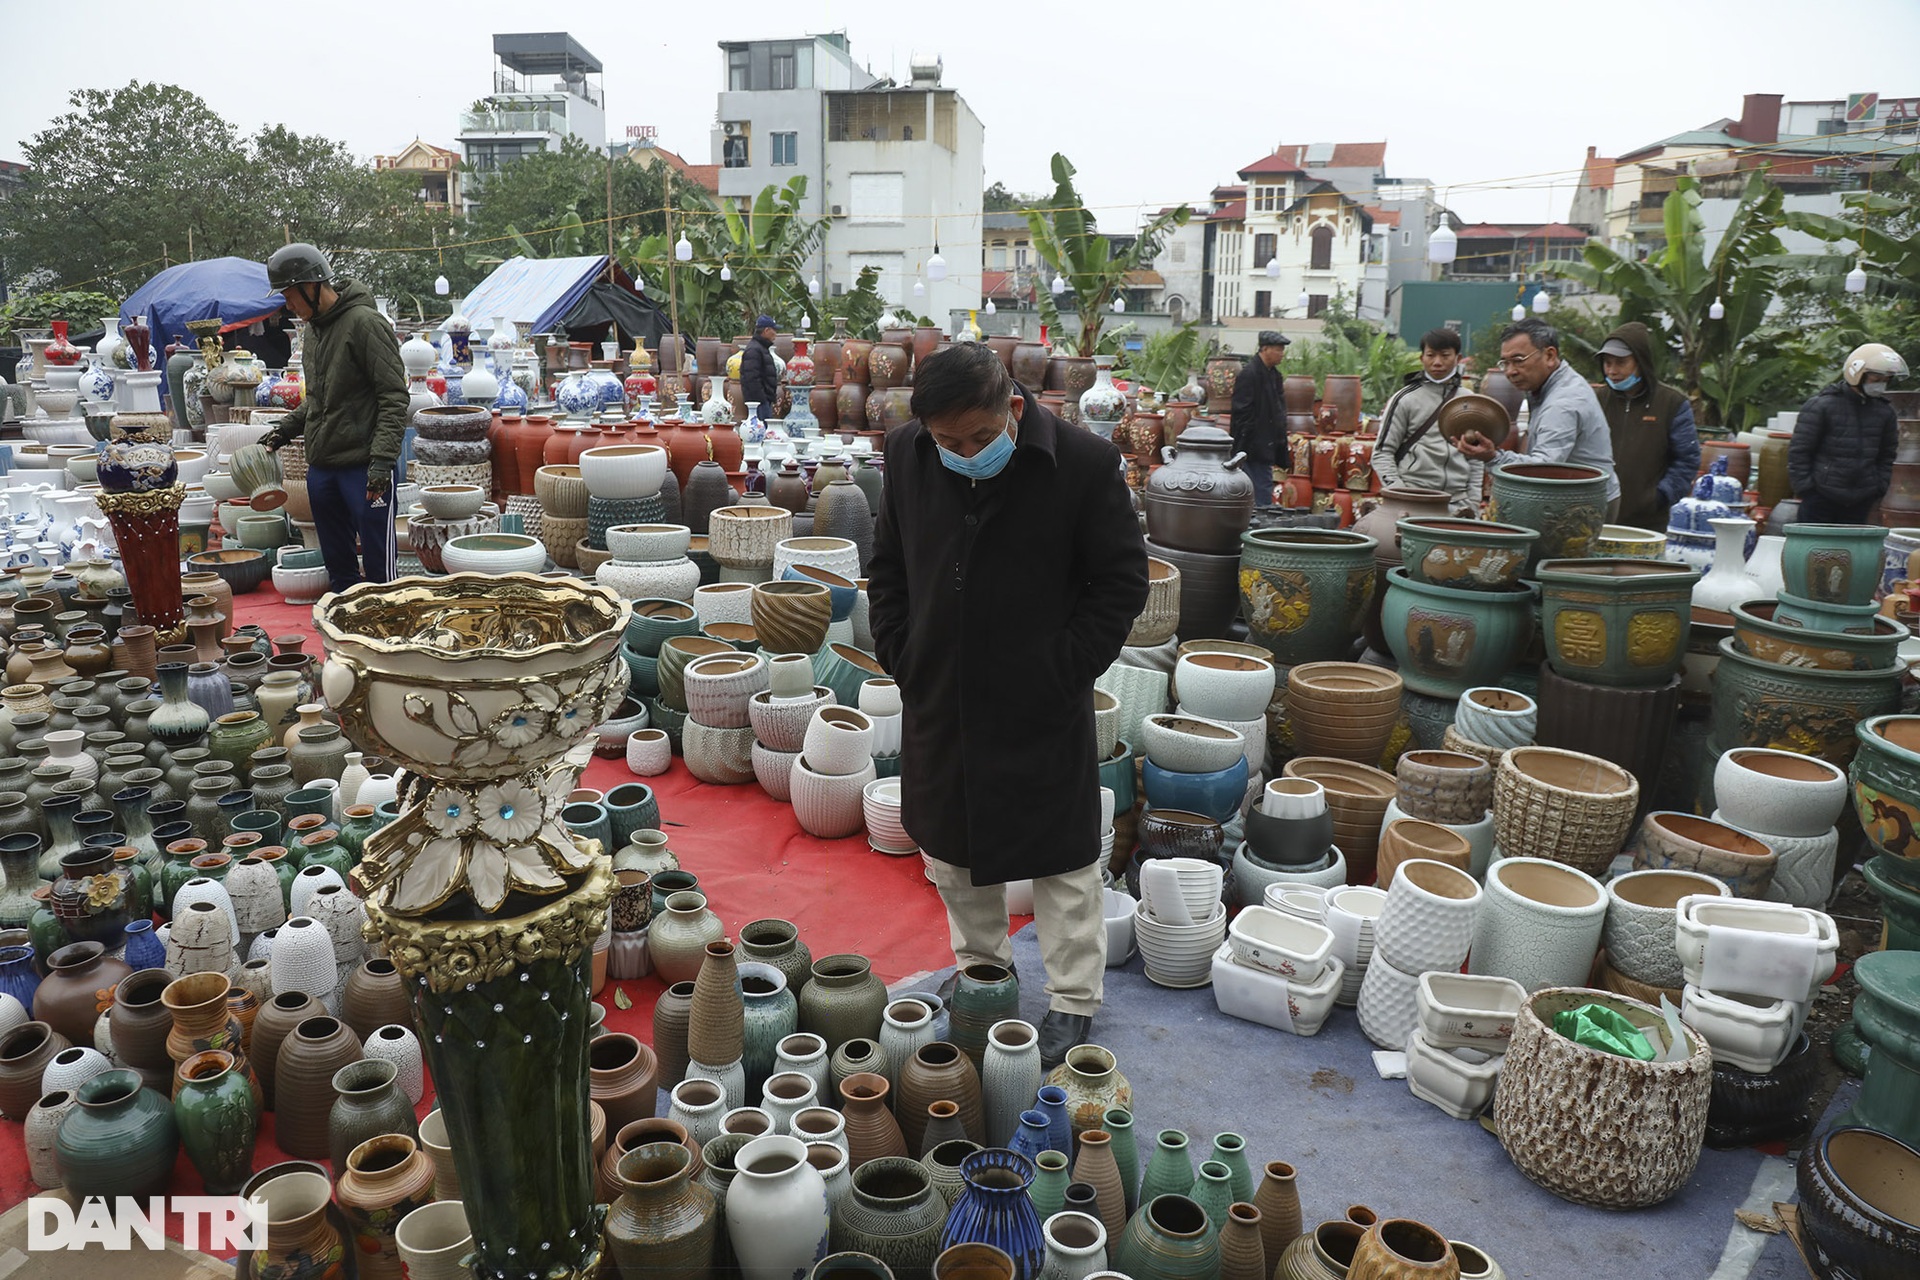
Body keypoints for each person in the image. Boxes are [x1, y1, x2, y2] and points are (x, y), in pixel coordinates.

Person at [867, 342, 1148, 1069]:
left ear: (1014, 409)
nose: (963, 453)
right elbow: (888, 565)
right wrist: (904, 652)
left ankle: (1074, 1000)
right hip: (940, 693)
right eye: (948, 443)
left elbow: (1120, 583)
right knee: (952, 851)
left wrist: (1066, 667)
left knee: (1064, 859)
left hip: (1040, 700)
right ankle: (985, 969)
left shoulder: (1082, 465)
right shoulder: (905, 453)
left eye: (981, 439)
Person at [259, 243, 408, 593]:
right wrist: (282, 432)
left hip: (365, 467)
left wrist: (382, 462)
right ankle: (346, 636)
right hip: (323, 467)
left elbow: (394, 396)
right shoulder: (313, 331)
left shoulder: (365, 324)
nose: (288, 305)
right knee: (338, 569)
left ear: (311, 285)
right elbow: (319, 400)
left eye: (290, 295)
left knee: (379, 572)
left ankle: (386, 634)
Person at [1454, 318, 1620, 517]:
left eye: (1518, 361)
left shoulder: (1563, 403)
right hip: (1578, 497)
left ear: (1550, 355)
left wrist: (1492, 456)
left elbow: (1542, 470)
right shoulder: (1549, 386)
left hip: (1585, 507)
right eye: (1504, 363)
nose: (1510, 371)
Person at [1789, 342, 1910, 524]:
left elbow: (1887, 454)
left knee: (1850, 551)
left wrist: (1878, 487)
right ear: (1857, 375)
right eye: (1875, 380)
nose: (1880, 386)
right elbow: (1799, 451)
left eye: (1885, 381)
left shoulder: (1884, 412)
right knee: (1817, 550)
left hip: (1861, 499)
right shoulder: (1822, 406)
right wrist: (1807, 489)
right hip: (1821, 497)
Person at [1597, 322, 1700, 532]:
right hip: (1597, 520)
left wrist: (1660, 496)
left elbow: (1687, 459)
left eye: (1620, 362)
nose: (1612, 370)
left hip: (1648, 525)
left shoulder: (1672, 403)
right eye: (1607, 363)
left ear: (1641, 361)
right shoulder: (1595, 400)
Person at [1373, 328, 1478, 514]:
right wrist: (1400, 493)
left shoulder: (1469, 401)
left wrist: (1473, 503)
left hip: (1457, 504)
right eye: (1431, 355)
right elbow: (1382, 452)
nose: (1437, 362)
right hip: (1414, 500)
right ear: (1422, 358)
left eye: (1445, 355)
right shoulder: (1404, 399)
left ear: (1458, 357)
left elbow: (1476, 457)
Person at [1229, 332, 1290, 507]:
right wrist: (1247, 441)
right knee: (1254, 492)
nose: (1282, 354)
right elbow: (1242, 412)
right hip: (1251, 446)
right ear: (1265, 349)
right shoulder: (1250, 374)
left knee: (1262, 488)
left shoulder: (1274, 375)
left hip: (1267, 444)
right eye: (1278, 350)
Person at [739, 314, 780, 416]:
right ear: (766, 330)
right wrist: (762, 399)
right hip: (759, 404)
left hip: (763, 402)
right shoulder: (754, 350)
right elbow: (751, 378)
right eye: (774, 330)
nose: (776, 334)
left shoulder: (761, 348)